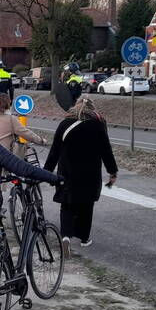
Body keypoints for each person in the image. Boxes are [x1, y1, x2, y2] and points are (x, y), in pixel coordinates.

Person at [44, 98, 117, 252]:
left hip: (67, 172)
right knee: (86, 205)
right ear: (92, 109)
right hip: (90, 173)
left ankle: (65, 236)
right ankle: (84, 238)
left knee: (67, 204)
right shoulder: (97, 125)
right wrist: (112, 171)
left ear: (75, 107)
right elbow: (106, 150)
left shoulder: (65, 124)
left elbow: (54, 151)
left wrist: (46, 172)